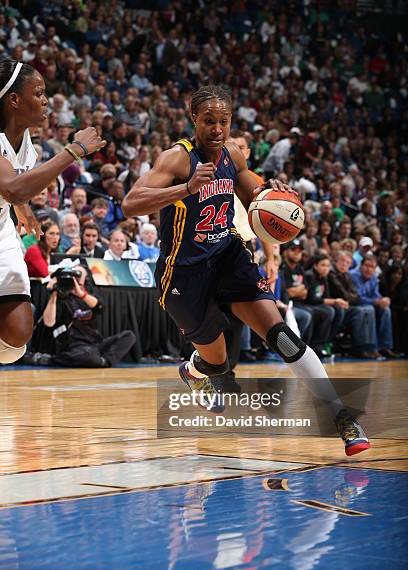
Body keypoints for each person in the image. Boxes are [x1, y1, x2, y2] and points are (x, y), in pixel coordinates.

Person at [122, 84, 370, 456]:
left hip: (227, 256)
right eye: (209, 121)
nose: (217, 129)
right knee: (218, 364)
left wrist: (275, 194)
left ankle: (341, 417)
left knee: (283, 338)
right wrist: (186, 189)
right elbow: (131, 203)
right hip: (183, 272)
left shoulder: (233, 154)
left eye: (224, 121)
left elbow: (254, 190)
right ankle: (194, 370)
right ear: (194, 119)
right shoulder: (176, 159)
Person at [0, 59, 105, 364]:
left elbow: (15, 189)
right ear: (14, 100)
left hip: (3, 226)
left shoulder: (28, 147)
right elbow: (13, 188)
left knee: (17, 335)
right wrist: (73, 151)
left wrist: (24, 211)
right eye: (38, 92)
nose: (45, 99)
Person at [42, 265, 136, 367]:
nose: (74, 278)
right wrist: (54, 294)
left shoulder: (89, 295)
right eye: (72, 274)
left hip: (95, 344)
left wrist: (81, 294)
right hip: (74, 346)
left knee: (129, 336)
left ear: (85, 278)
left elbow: (101, 308)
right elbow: (48, 322)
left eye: (78, 274)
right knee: (88, 355)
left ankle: (103, 362)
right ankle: (52, 360)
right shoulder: (61, 297)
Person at [328, 250, 380, 358]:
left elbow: (355, 295)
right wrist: (350, 298)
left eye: (348, 263)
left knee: (368, 309)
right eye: (342, 261)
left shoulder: (346, 275)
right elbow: (343, 293)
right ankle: (360, 347)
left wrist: (350, 298)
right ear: (336, 261)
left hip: (345, 305)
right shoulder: (331, 273)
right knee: (361, 311)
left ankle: (369, 346)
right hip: (334, 305)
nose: (344, 264)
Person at [350, 255, 400, 358]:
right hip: (354, 305)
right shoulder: (353, 276)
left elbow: (376, 295)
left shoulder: (373, 278)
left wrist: (384, 300)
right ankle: (369, 347)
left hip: (368, 305)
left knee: (386, 310)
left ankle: (385, 346)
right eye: (367, 266)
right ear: (361, 266)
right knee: (370, 309)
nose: (369, 269)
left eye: (372, 267)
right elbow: (357, 298)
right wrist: (375, 302)